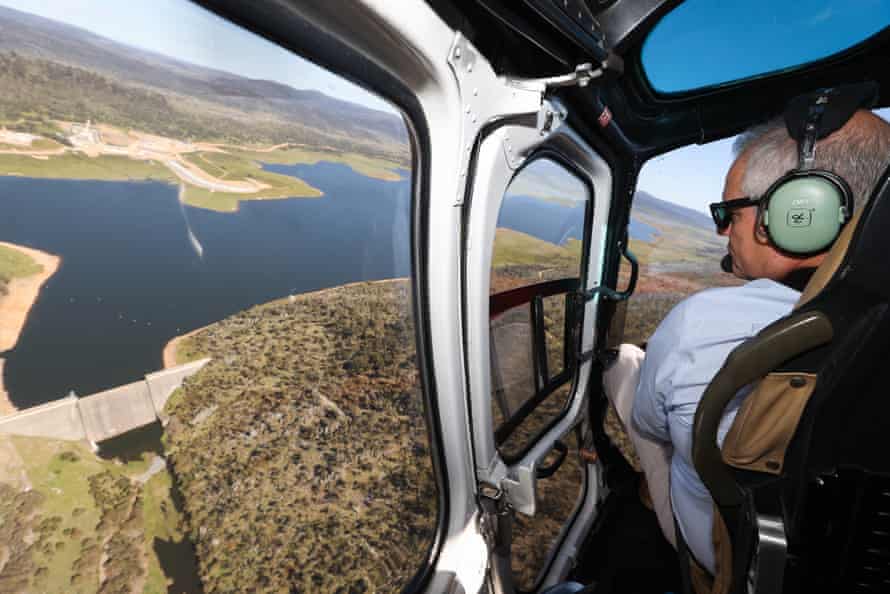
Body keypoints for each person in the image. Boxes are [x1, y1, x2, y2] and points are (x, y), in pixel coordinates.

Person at [603, 106, 890, 575]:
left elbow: (649, 425)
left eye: (727, 212)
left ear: (802, 214)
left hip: (728, 563)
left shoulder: (700, 325)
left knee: (627, 368)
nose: (722, 230)